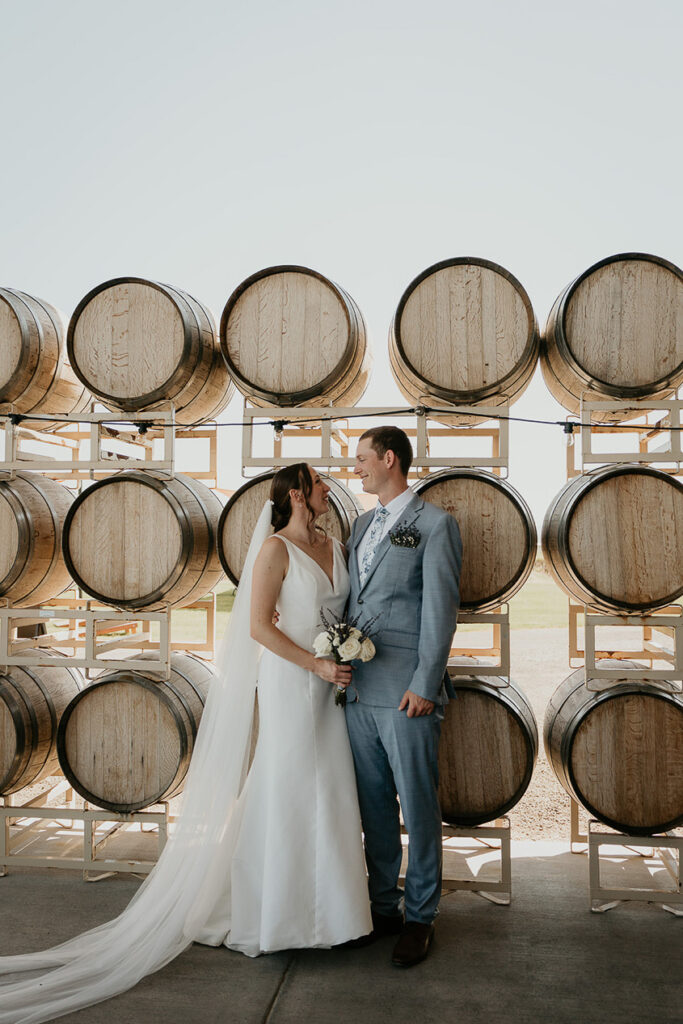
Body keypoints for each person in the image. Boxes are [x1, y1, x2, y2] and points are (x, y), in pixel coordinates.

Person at [0, 463, 371, 1023]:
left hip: (331, 683)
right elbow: (258, 628)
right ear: (297, 494)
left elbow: (342, 610)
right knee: (287, 783)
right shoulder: (273, 549)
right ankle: (277, 916)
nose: (328, 487)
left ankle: (337, 915)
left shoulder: (336, 544)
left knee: (332, 788)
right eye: (318, 482)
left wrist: (342, 655)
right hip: (293, 679)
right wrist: (315, 663)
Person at [345, 426, 462, 968]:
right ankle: (383, 908)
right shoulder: (361, 524)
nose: (357, 469)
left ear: (390, 459)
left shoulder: (436, 525)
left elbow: (441, 610)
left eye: (363, 459)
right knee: (373, 809)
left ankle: (420, 918)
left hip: (407, 694)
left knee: (417, 806)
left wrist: (426, 683)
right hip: (358, 693)